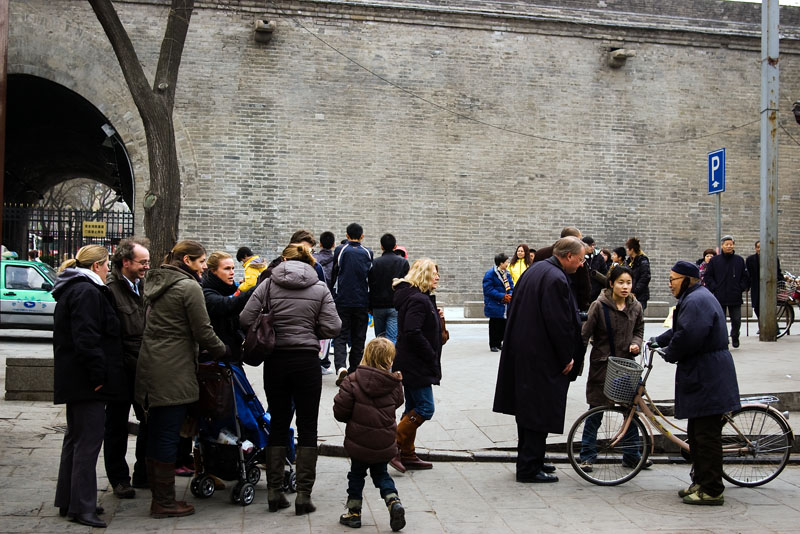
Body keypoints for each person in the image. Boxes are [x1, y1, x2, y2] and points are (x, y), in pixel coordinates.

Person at [240, 244, 341, 515]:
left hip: (276, 361)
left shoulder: (269, 285)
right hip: (307, 361)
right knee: (308, 426)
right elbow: (334, 326)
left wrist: (272, 324)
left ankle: (274, 493)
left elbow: (244, 317)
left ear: (285, 261)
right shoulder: (319, 288)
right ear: (309, 262)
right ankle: (304, 497)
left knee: (278, 424)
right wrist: (310, 329)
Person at [136, 240, 227, 519]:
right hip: (173, 369)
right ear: (187, 260)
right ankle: (163, 502)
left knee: (155, 431)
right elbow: (203, 329)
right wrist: (223, 350)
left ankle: (157, 494)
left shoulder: (154, 282)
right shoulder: (188, 287)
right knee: (166, 434)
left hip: (150, 364)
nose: (203, 268)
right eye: (201, 262)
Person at [493, 237, 585, 483]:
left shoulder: (538, 270)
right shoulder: (555, 278)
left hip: (527, 353)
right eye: (580, 258)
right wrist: (567, 355)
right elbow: (559, 322)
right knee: (537, 412)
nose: (582, 263)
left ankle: (532, 460)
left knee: (529, 411)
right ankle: (529, 468)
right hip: (541, 357)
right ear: (568, 256)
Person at [653, 261, 740, 505]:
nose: (669, 285)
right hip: (703, 374)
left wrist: (670, 353)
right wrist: (658, 341)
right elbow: (679, 330)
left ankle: (712, 489)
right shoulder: (693, 298)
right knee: (696, 434)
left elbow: (689, 335)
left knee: (706, 436)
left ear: (688, 279)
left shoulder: (696, 300)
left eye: (673, 279)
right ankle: (701, 481)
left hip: (708, 376)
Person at [53, 245, 124, 528]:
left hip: (78, 380)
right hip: (87, 382)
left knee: (75, 439)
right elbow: (87, 339)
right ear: (97, 266)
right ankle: (81, 506)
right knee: (87, 443)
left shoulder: (77, 289)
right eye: (107, 265)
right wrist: (98, 377)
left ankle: (69, 499)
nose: (109, 270)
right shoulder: (86, 291)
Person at [578, 265, 648, 472]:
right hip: (603, 366)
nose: (625, 287)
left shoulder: (635, 306)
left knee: (630, 412)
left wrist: (636, 342)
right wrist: (577, 363)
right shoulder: (599, 305)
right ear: (611, 284)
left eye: (628, 283)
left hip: (626, 365)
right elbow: (585, 334)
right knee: (596, 411)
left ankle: (632, 455)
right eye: (621, 282)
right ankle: (587, 456)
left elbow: (639, 329)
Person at [333, 337, 406, 532]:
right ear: (389, 360)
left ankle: (354, 513)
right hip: (383, 441)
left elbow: (340, 411)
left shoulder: (352, 380)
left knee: (356, 475)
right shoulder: (394, 383)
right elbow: (398, 403)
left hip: (359, 441)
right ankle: (393, 501)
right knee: (381, 474)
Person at [104, 237, 150, 499]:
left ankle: (143, 472)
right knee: (116, 426)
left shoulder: (143, 286)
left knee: (148, 421)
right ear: (126, 262)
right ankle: (119, 479)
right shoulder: (110, 290)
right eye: (142, 262)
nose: (146, 267)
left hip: (143, 366)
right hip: (122, 369)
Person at [389, 259, 443, 472]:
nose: (437, 277)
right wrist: (430, 354)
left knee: (412, 407)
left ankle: (408, 454)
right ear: (423, 275)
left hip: (410, 361)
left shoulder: (417, 298)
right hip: (416, 363)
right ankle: (392, 445)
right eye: (433, 273)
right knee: (425, 407)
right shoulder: (418, 300)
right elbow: (412, 331)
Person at [330, 223, 374, 385]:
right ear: (362, 236)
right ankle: (354, 370)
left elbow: (335, 274)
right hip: (361, 300)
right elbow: (370, 277)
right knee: (358, 336)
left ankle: (341, 367)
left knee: (340, 335)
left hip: (342, 300)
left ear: (347, 236)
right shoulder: (368, 253)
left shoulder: (340, 250)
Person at [202, 251, 253, 363]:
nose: (232, 273)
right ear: (213, 271)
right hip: (215, 361)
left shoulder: (231, 289)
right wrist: (255, 290)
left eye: (233, 268)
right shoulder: (205, 292)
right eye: (227, 269)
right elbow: (228, 305)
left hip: (233, 357)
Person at [703, 235, 749, 348]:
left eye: (731, 244)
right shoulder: (715, 261)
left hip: (735, 295)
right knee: (720, 320)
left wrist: (741, 287)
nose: (729, 246)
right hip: (719, 295)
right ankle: (723, 339)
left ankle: (735, 335)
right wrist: (714, 287)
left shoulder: (739, 260)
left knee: (736, 319)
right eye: (727, 244)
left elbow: (745, 277)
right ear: (722, 245)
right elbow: (708, 276)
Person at [534, 227, 591, 311]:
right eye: (579, 240)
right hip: (567, 304)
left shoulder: (540, 253)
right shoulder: (577, 258)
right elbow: (584, 285)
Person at [369, 233, 410, 343]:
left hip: (377, 306)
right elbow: (406, 285)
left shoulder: (374, 263)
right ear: (395, 246)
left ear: (381, 246)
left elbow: (370, 285)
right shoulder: (403, 262)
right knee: (392, 339)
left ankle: (380, 360)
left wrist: (370, 306)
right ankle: (391, 360)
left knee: (380, 339)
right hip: (395, 306)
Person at [482, 253, 514, 352]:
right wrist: (502, 296)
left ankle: (500, 342)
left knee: (503, 324)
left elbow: (511, 286)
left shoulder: (506, 273)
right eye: (506, 262)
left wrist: (510, 295)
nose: (508, 263)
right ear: (501, 263)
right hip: (495, 303)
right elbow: (488, 289)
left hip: (505, 304)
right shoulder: (490, 274)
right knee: (494, 325)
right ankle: (493, 344)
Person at [745, 240, 782, 319]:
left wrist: (781, 283)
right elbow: (748, 275)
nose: (760, 249)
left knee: (769, 308)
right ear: (755, 248)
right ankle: (761, 324)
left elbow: (777, 272)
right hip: (756, 287)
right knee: (757, 308)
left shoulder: (773, 258)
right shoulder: (750, 260)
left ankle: (773, 326)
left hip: (769, 287)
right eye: (758, 247)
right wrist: (746, 286)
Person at [625, 237, 651, 311]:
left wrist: (635, 291)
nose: (626, 250)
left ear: (632, 249)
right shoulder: (628, 261)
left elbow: (645, 278)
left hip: (640, 296)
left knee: (637, 318)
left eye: (627, 248)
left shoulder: (643, 261)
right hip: (629, 295)